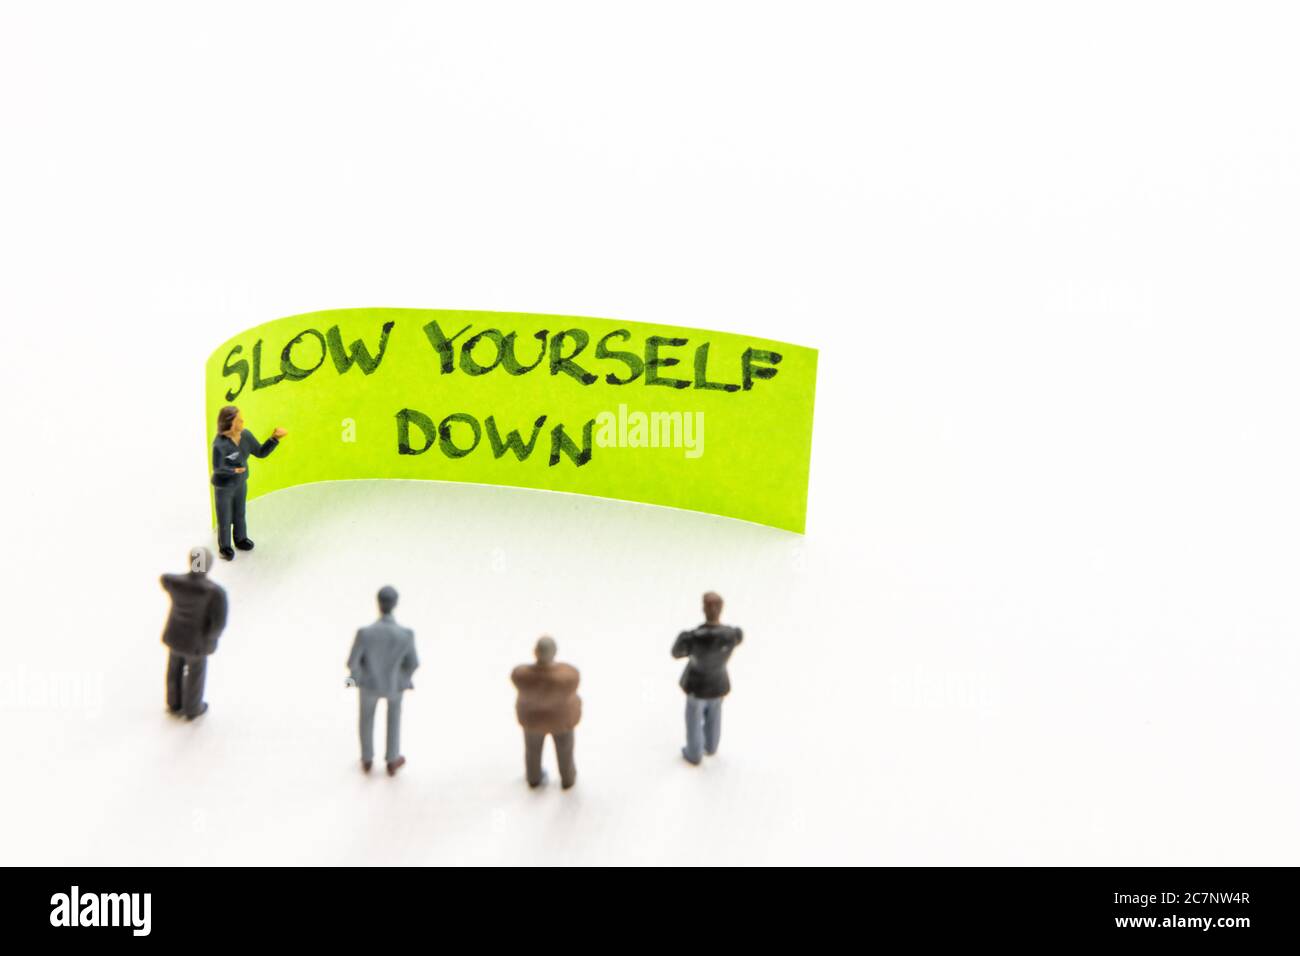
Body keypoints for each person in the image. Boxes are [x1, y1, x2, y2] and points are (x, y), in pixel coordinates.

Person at [346, 586, 418, 775]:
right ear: (395, 605)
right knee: (394, 718)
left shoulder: (365, 633)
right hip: (394, 686)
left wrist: (353, 681)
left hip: (368, 685)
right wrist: (403, 680)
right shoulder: (406, 634)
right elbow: (413, 663)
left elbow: (352, 662)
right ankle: (392, 759)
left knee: (365, 719)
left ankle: (367, 758)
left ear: (378, 603)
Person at [672, 591, 743, 765]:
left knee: (694, 720)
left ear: (704, 609)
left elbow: (676, 652)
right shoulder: (732, 634)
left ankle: (694, 753)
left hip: (697, 686)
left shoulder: (693, 637)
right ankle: (711, 746)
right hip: (718, 684)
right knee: (715, 716)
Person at [210, 405, 286, 561]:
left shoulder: (246, 436)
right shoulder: (219, 443)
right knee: (224, 516)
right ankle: (225, 547)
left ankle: (241, 539)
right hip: (224, 486)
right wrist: (233, 470)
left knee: (240, 513)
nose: (242, 421)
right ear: (229, 423)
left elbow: (260, 452)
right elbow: (218, 467)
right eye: (238, 419)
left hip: (240, 483)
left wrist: (274, 439)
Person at [160, 547, 228, 720]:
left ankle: (173, 702)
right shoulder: (214, 592)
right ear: (209, 566)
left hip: (175, 636)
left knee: (174, 669)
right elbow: (218, 624)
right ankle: (192, 707)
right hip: (196, 642)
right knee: (195, 674)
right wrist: (211, 639)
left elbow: (164, 579)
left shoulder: (174, 582)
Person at [510, 637, 581, 789]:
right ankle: (568, 779)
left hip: (532, 722)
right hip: (562, 722)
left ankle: (533, 778)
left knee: (532, 752)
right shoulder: (567, 677)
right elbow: (573, 675)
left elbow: (516, 674)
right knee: (565, 753)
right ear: (554, 652)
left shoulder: (522, 675)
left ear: (535, 652)